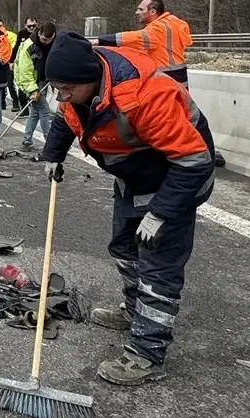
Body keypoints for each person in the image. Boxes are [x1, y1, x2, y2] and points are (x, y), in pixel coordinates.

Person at [40, 33, 214, 386]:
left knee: (158, 266)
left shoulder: (145, 95)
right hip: (133, 176)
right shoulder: (78, 91)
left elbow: (194, 161)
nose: (61, 96)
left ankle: (147, 354)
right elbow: (65, 119)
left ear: (90, 80)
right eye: (56, 88)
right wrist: (53, 155)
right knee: (124, 247)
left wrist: (160, 212)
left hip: (176, 177)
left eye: (66, 89)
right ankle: (135, 312)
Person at [92, 0, 225, 167]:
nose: (137, 12)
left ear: (153, 11)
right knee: (188, 118)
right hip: (178, 79)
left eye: (141, 9)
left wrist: (100, 41)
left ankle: (200, 155)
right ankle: (206, 152)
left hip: (167, 81)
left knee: (175, 122)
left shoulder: (157, 29)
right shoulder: (174, 23)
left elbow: (136, 38)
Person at [14, 21, 56, 153]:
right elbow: (25, 71)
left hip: (43, 80)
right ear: (39, 33)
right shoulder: (29, 45)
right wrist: (33, 90)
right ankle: (49, 143)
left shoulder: (56, 42)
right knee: (44, 110)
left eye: (50, 39)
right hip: (32, 82)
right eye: (44, 39)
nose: (47, 42)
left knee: (34, 114)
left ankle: (26, 141)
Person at [0, 19, 20, 112]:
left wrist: (10, 62)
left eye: (0, 25)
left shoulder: (12, 36)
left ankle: (15, 103)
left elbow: (13, 50)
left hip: (9, 63)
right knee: (0, 85)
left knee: (10, 84)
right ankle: (2, 103)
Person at [15, 17, 39, 110]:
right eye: (29, 26)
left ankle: (32, 107)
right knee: (22, 87)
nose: (32, 28)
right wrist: (12, 61)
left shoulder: (39, 35)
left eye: (34, 26)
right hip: (23, 62)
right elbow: (17, 48)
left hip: (36, 64)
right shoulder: (21, 34)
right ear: (25, 26)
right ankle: (24, 108)